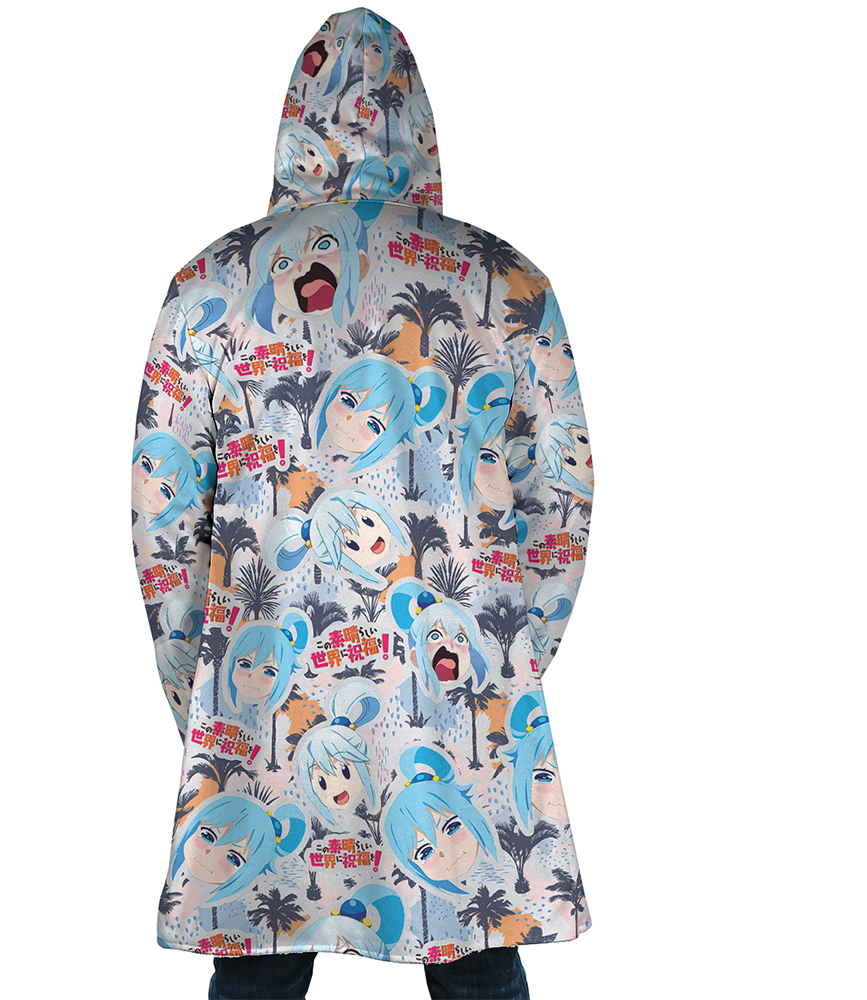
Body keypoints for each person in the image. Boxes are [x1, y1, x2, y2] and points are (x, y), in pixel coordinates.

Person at [132, 7, 596, 998]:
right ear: (417, 119)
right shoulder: (507, 284)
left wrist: (203, 693)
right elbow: (560, 500)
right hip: (461, 693)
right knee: (476, 948)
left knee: (258, 947)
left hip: (261, 694)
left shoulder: (209, 288)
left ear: (295, 116)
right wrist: (507, 663)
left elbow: (164, 528)